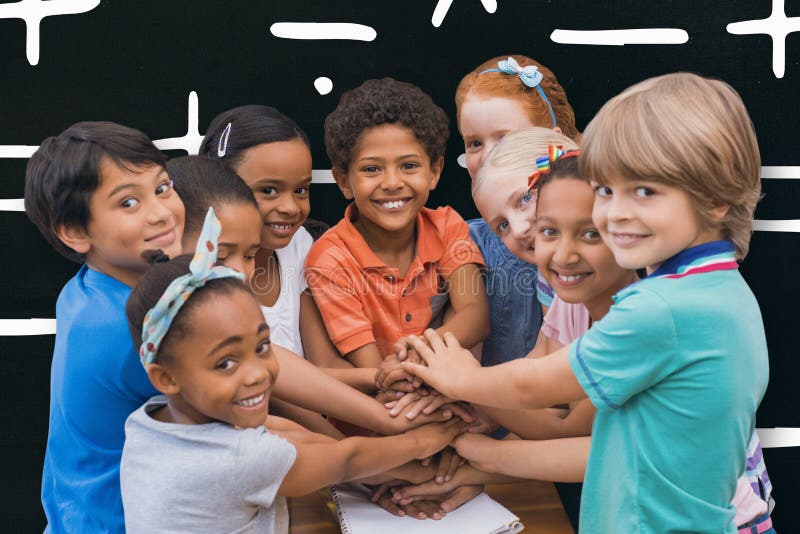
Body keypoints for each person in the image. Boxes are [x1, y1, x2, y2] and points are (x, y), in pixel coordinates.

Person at [400, 72, 769, 533]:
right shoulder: (714, 287)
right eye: (606, 191)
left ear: (714, 198)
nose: (614, 213)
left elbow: (538, 389)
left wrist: (461, 380)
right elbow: (613, 439)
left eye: (644, 191)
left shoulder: (659, 308)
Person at [121, 209, 464, 533]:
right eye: (225, 363)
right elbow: (347, 459)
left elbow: (278, 430)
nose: (257, 373)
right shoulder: (241, 461)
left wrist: (392, 468)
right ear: (166, 377)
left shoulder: (149, 422)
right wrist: (425, 441)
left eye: (262, 347)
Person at [169, 154, 463, 438]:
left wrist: (382, 394)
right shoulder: (174, 322)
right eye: (220, 257)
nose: (242, 272)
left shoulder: (290, 256)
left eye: (249, 255)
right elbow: (273, 400)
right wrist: (373, 452)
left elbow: (279, 371)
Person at [24, 121, 185, 533]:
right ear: (76, 232)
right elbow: (253, 410)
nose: (162, 212)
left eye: (162, 187)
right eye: (128, 203)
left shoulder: (85, 291)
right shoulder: (133, 327)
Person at [307, 77, 489, 373]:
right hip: (378, 409)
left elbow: (476, 317)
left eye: (408, 166)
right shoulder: (330, 258)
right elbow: (375, 369)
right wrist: (425, 361)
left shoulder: (446, 225)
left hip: (441, 395)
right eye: (371, 169)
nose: (392, 183)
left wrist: (417, 352)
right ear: (343, 181)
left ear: (434, 171)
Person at [455, 54, 580, 366]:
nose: (488, 156)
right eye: (474, 143)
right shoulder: (468, 238)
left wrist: (473, 389)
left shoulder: (599, 257)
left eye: (505, 138)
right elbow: (548, 353)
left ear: (553, 146)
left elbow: (575, 390)